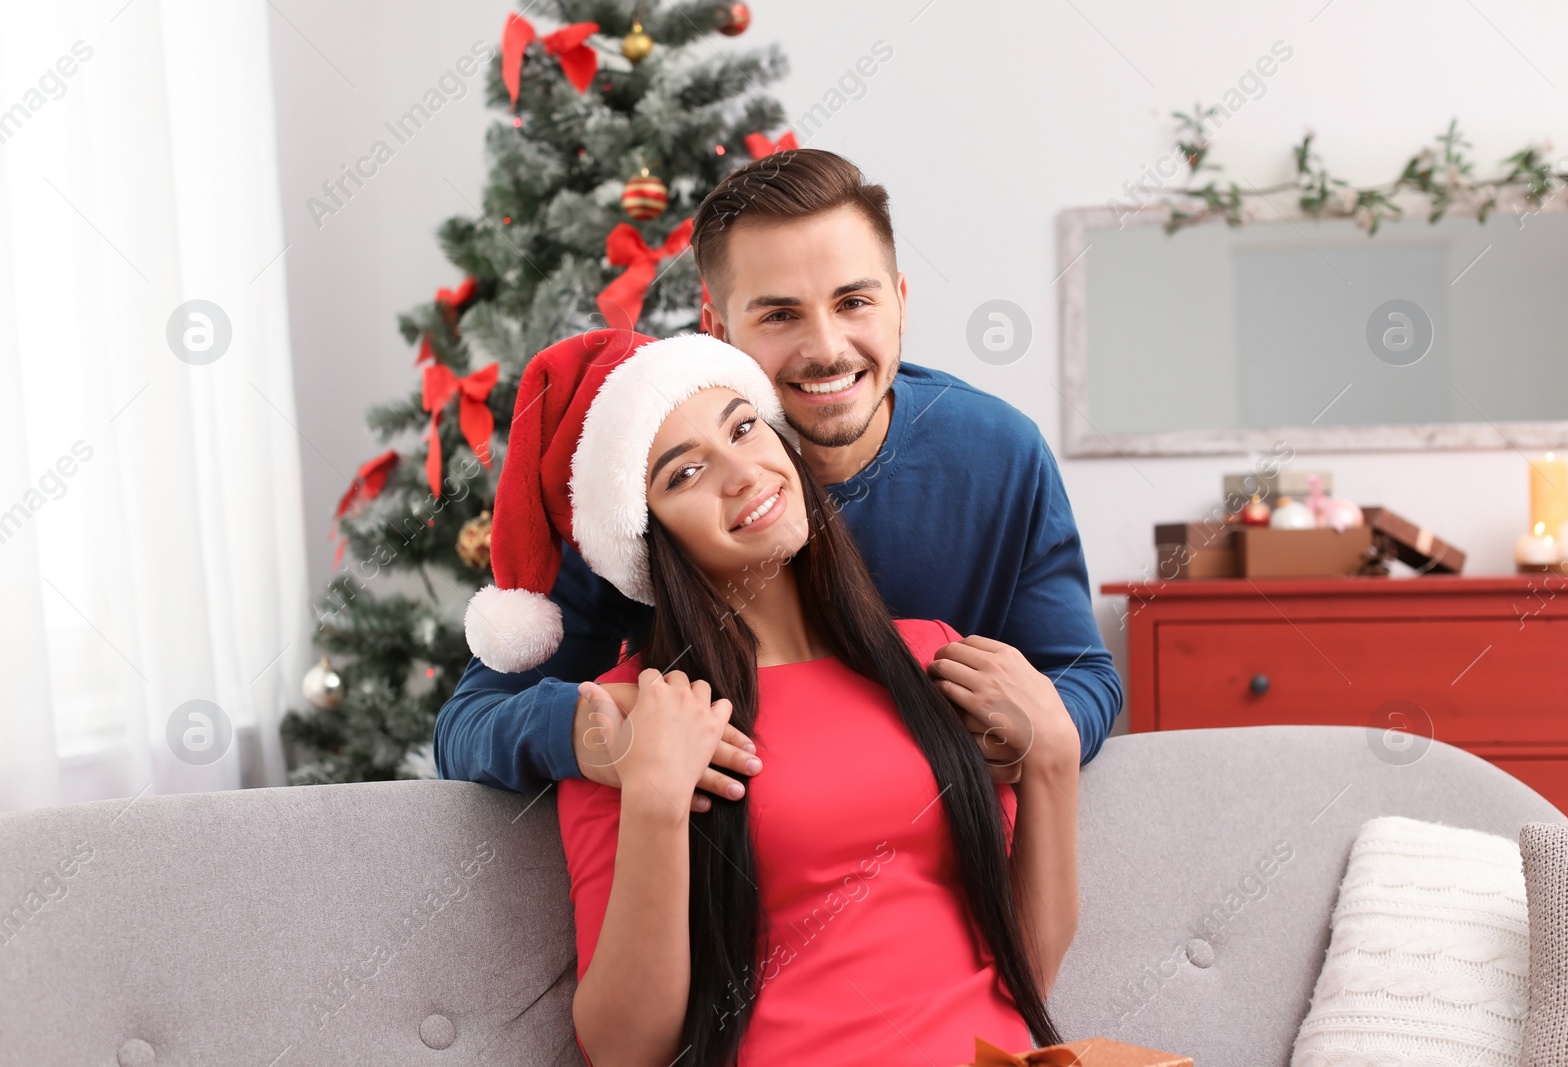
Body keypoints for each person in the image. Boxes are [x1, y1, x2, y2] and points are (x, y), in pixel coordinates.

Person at [434, 147, 1121, 814]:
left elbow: (1083, 674)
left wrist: (1036, 727)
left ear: (901, 304)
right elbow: (468, 726)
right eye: (780, 314)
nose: (826, 348)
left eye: (854, 301)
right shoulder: (635, 490)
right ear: (718, 331)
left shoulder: (1000, 454)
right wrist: (593, 732)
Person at [471, 328, 1080, 1067]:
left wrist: (1052, 761)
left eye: (743, 426)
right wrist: (657, 798)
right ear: (644, 536)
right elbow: (627, 1049)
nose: (741, 472)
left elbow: (1024, 974)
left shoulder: (934, 658)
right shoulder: (631, 718)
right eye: (685, 472)